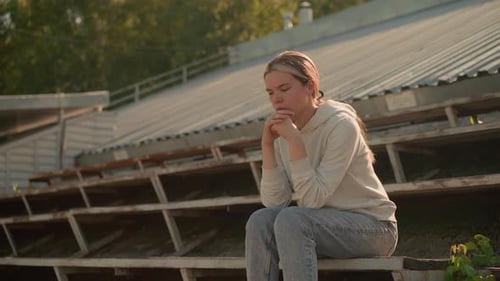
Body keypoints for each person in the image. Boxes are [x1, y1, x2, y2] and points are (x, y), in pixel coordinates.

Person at [245, 50, 398, 281]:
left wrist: (296, 141)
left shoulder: (341, 125)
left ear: (310, 86)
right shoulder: (284, 131)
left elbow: (312, 200)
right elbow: (275, 202)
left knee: (292, 219)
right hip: (320, 226)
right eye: (270, 92)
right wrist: (267, 146)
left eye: (284, 89)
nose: (276, 99)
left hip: (373, 230)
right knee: (261, 219)